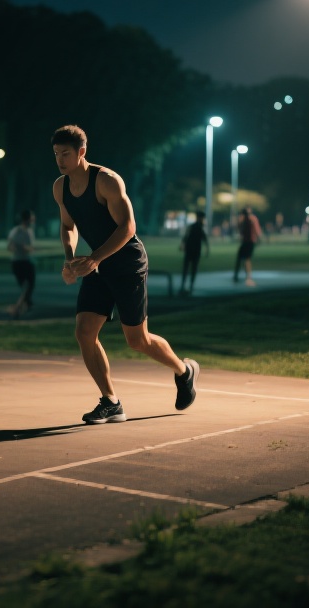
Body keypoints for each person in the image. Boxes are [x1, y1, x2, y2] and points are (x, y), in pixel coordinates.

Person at [51, 124, 198, 424]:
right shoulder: (60, 187)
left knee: (137, 340)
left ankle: (184, 372)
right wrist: (70, 261)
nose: (60, 160)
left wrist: (94, 258)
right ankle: (111, 401)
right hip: (97, 265)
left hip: (126, 263)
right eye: (56, 154)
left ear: (81, 152)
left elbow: (128, 227)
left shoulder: (106, 181)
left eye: (65, 154)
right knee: (84, 332)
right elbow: (68, 226)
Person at [6, 209, 36, 318]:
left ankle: (23, 306)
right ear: (27, 219)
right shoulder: (17, 231)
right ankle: (19, 308)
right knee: (26, 286)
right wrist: (21, 248)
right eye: (32, 217)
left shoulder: (30, 231)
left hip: (27, 261)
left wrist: (29, 249)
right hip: (18, 262)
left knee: (29, 286)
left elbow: (31, 248)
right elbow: (10, 246)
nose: (33, 219)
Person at [178, 210, 209, 295]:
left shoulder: (194, 226)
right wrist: (207, 250)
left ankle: (184, 286)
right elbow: (205, 239)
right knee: (193, 269)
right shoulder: (200, 227)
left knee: (187, 268)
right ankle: (189, 286)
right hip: (194, 250)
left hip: (190, 250)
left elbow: (186, 236)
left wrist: (182, 244)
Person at [233, 206, 262, 286]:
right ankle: (238, 275)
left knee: (247, 259)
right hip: (246, 242)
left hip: (249, 242)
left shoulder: (250, 220)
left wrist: (258, 238)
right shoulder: (245, 220)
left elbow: (256, 230)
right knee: (241, 258)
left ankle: (248, 277)